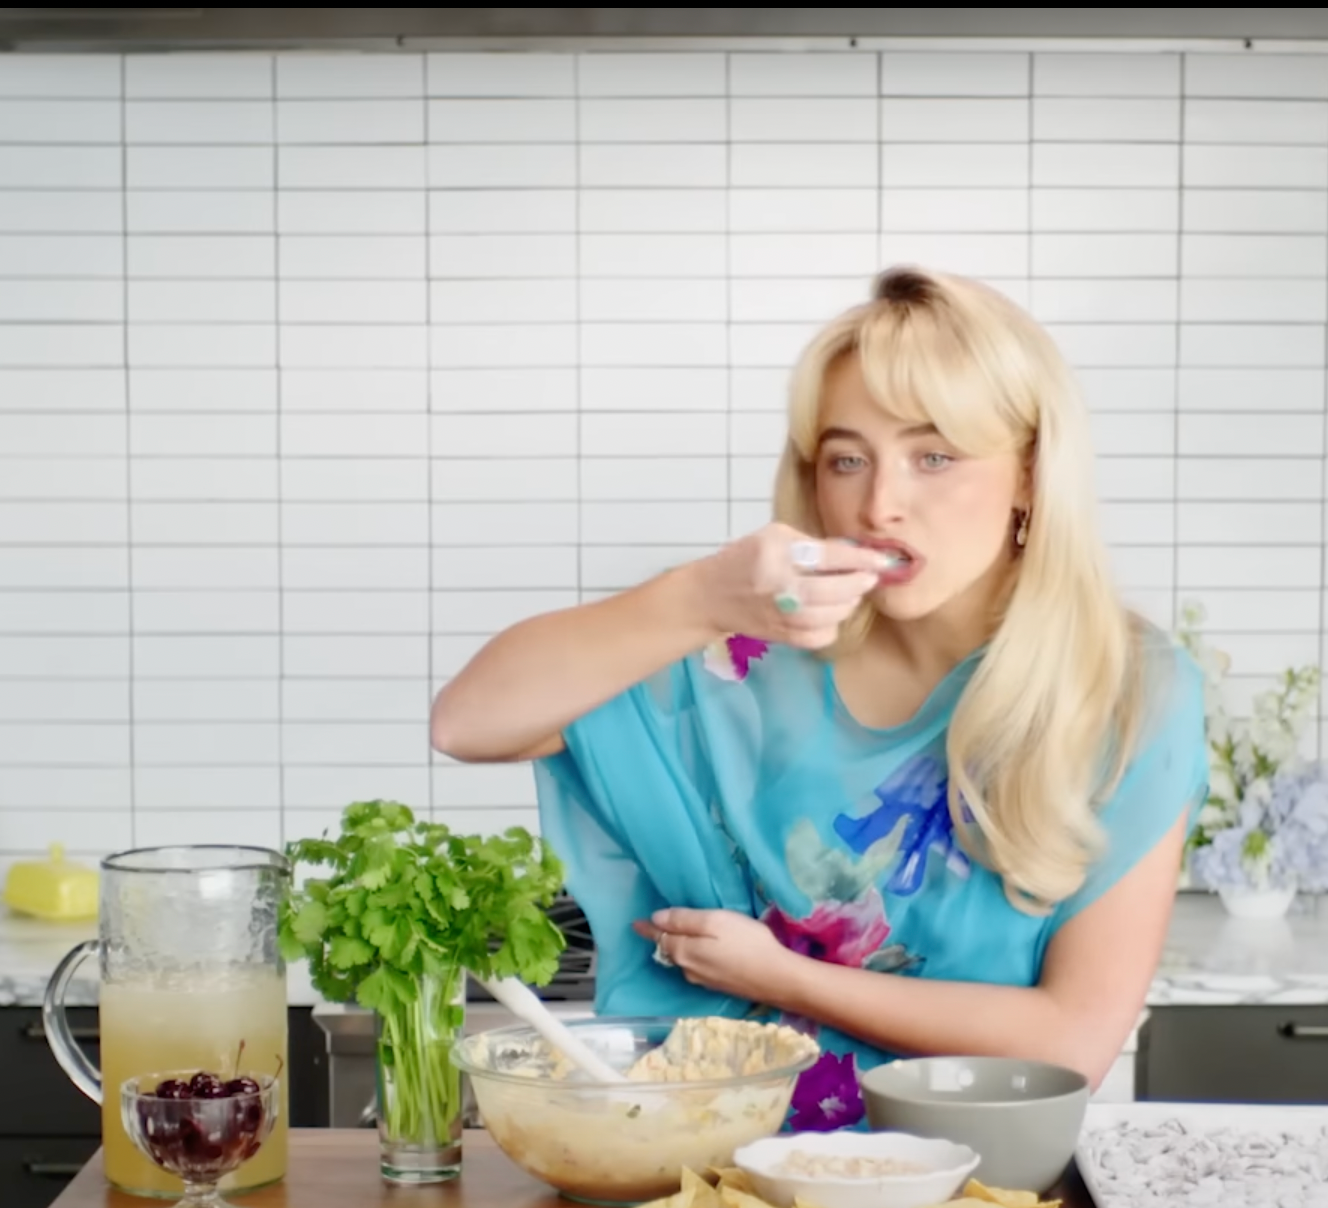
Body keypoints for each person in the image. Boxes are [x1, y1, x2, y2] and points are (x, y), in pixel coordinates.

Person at [431, 266, 1207, 1130]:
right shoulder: (736, 649)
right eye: (848, 459)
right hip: (712, 1196)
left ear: (1029, 473)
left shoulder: (1127, 691)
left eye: (934, 456)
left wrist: (785, 979)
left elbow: (1072, 1043)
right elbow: (468, 721)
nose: (880, 504)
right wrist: (698, 597)